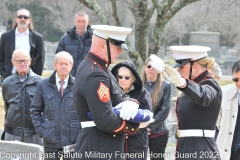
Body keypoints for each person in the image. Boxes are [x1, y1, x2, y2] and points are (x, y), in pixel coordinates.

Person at [72, 25, 152, 160]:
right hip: (97, 149)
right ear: (103, 45)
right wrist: (135, 124)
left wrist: (128, 102)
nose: (121, 51)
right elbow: (106, 120)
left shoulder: (102, 69)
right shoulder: (95, 74)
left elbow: (120, 95)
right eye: (117, 47)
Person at [150, 45, 222, 160]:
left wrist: (183, 83)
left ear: (195, 67)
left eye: (181, 67)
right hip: (187, 149)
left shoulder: (210, 85)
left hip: (201, 151)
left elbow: (203, 95)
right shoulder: (193, 85)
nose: (178, 71)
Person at [30, 51, 81, 160]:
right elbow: (35, 109)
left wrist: (80, 131)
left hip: (73, 140)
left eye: (66, 64)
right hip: (50, 140)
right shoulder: (43, 85)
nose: (63, 66)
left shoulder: (79, 85)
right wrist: (42, 130)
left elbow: (85, 110)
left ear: (71, 66)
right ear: (55, 65)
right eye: (60, 63)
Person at [111, 61, 152, 160]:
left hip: (137, 140)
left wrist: (130, 129)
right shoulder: (112, 93)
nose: (123, 80)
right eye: (120, 77)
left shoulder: (143, 93)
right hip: (115, 139)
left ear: (133, 79)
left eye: (127, 77)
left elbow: (147, 117)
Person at [1, 49, 43, 145]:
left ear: (30, 61)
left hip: (35, 133)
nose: (22, 63)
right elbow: (7, 106)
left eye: (25, 60)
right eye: (19, 61)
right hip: (12, 133)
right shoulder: (7, 83)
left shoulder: (41, 83)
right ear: (13, 62)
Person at [0, 8, 45, 80]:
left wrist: (36, 76)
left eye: (25, 17)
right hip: (9, 76)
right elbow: (1, 56)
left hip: (30, 78)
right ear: (16, 19)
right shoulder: (5, 36)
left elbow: (40, 59)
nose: (22, 19)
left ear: (29, 20)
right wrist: (3, 74)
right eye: (20, 17)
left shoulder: (38, 38)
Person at [142, 58, 172, 160]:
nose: (151, 69)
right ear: (145, 68)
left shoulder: (166, 85)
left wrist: (150, 127)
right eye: (149, 66)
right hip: (139, 131)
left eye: (154, 67)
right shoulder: (137, 85)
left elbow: (165, 110)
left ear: (159, 69)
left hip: (159, 132)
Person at [55, 11, 93, 77]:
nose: (81, 24)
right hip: (69, 78)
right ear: (75, 22)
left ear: (88, 22)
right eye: (79, 21)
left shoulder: (95, 39)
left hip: (88, 77)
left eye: (83, 21)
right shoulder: (65, 39)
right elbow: (58, 59)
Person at [216, 60, 240, 160]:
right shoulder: (222, 93)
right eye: (236, 79)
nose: (239, 83)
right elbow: (217, 122)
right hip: (228, 151)